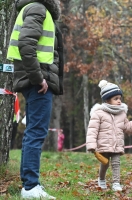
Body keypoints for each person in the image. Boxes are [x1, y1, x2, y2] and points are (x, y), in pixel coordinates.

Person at [6, 0, 64, 199]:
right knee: (36, 132)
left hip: (34, 78)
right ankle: (30, 186)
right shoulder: (38, 8)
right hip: (38, 81)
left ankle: (29, 184)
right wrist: (39, 78)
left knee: (33, 132)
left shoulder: (34, 8)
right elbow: (26, 44)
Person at [86, 80, 132, 191]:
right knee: (105, 164)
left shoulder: (121, 113)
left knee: (116, 163)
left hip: (117, 145)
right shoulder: (98, 113)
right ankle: (101, 179)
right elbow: (92, 130)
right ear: (107, 100)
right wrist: (91, 145)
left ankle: (116, 183)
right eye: (116, 99)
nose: (119, 101)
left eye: (120, 98)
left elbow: (128, 128)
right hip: (103, 145)